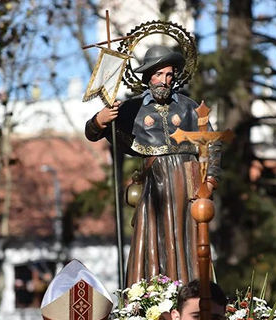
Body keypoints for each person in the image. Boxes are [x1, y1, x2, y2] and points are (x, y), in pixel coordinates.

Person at [85, 45, 222, 286]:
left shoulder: (189, 107)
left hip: (188, 187)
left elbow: (211, 144)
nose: (164, 81)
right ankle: (152, 299)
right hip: (154, 187)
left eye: (169, 75)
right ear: (148, 76)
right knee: (154, 244)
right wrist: (100, 120)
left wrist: (209, 181)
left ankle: (191, 295)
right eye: (158, 74)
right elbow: (92, 133)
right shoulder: (130, 109)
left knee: (189, 243)